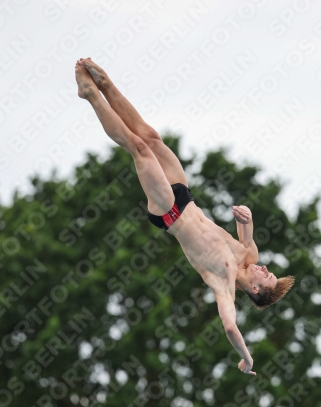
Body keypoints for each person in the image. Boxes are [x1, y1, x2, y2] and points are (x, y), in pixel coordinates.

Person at [75, 58, 295, 376]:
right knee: (150, 138)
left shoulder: (223, 282)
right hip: (185, 197)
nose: (264, 268)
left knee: (138, 148)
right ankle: (106, 85)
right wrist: (246, 217)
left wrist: (247, 358)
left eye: (267, 276)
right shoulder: (249, 255)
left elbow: (230, 328)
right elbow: (245, 226)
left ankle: (91, 95)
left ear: (257, 290)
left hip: (169, 212)